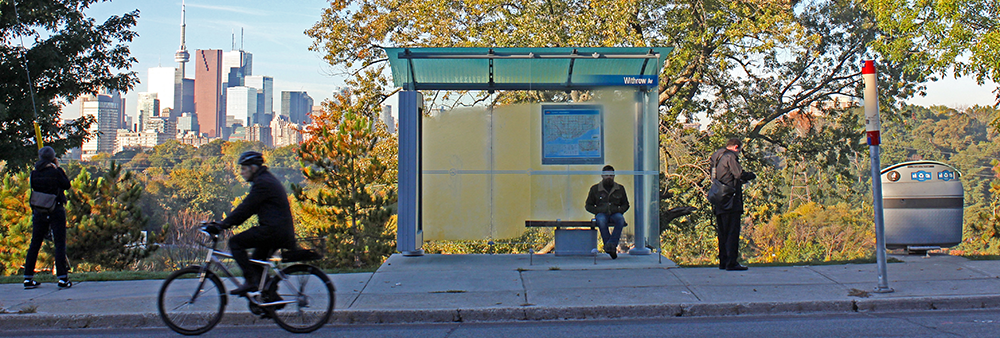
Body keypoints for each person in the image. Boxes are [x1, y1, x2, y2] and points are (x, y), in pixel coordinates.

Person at [204, 151, 296, 295]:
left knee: (235, 242)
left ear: (253, 168)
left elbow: (246, 208)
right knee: (256, 262)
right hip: (278, 230)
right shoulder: (265, 180)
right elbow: (247, 209)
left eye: (243, 168)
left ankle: (250, 281)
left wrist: (223, 225)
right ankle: (270, 297)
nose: (241, 172)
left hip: (274, 231)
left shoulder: (263, 183)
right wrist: (225, 224)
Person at [24, 146, 72, 289]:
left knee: (35, 243)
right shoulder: (56, 172)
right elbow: (66, 185)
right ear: (53, 158)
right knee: (59, 243)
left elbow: (34, 187)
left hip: (39, 210)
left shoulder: (34, 173)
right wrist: (57, 169)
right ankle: (62, 278)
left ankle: (28, 277)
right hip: (55, 209)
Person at [709, 138, 756, 271]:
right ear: (736, 147)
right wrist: (750, 176)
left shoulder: (717, 157)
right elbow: (738, 174)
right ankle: (731, 262)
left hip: (719, 197)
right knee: (732, 231)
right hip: (731, 198)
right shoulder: (730, 157)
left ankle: (723, 261)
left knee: (722, 231)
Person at [585, 165, 630, 259]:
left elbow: (626, 204)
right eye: (606, 175)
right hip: (601, 214)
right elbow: (588, 205)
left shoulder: (620, 188)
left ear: (614, 176)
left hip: (615, 213)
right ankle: (610, 247)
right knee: (601, 220)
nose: (609, 177)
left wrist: (619, 210)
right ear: (602, 176)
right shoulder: (595, 189)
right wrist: (597, 211)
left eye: (611, 175)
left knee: (620, 219)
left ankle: (610, 244)